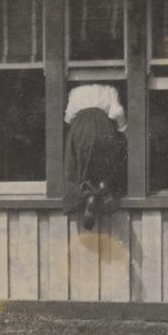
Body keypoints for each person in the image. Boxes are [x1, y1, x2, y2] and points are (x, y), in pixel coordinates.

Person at [63, 83, 127, 230]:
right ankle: (103, 189)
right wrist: (123, 127)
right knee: (106, 160)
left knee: (79, 162)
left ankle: (88, 195)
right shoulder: (110, 89)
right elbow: (117, 112)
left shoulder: (75, 91)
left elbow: (68, 117)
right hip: (103, 125)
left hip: (80, 127)